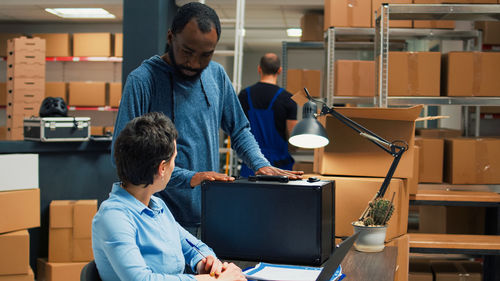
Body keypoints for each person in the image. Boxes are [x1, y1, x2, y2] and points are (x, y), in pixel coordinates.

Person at [112, 2, 302, 235]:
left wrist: (259, 163)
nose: (195, 64)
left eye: (206, 55)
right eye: (187, 52)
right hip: (158, 218)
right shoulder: (143, 81)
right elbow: (122, 157)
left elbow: (240, 129)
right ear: (171, 37)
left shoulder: (216, 75)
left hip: (209, 213)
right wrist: (190, 178)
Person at [93, 112, 246, 281]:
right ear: (162, 168)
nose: (175, 166)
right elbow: (140, 279)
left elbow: (192, 246)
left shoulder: (156, 206)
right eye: (174, 159)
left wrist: (207, 263)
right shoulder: (113, 217)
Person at [238, 53, 298, 177]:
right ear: (280, 70)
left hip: (252, 163)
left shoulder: (244, 95)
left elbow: (237, 130)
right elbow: (293, 135)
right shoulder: (288, 99)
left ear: (259, 69)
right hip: (279, 166)